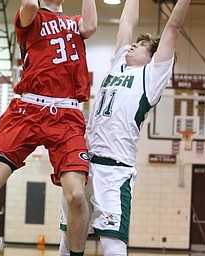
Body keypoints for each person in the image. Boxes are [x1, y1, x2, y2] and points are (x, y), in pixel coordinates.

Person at [0, 0, 97, 255]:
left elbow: (90, 26)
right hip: (28, 109)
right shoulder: (30, 18)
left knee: (77, 197)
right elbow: (28, 3)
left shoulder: (75, 22)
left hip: (66, 113)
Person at [59, 0, 191, 255]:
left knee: (113, 246)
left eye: (142, 45)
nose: (134, 44)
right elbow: (126, 22)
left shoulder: (152, 76)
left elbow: (173, 26)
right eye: (137, 42)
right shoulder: (119, 62)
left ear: (153, 57)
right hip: (83, 163)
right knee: (68, 238)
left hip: (114, 170)